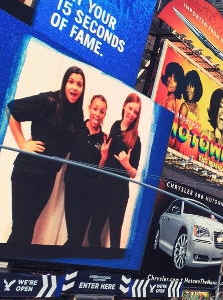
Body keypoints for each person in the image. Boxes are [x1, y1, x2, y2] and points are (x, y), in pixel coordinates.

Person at [6, 66, 85, 245]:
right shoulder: (49, 100)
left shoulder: (77, 114)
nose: (74, 87)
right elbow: (11, 109)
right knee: (21, 230)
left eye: (79, 84)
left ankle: (12, 269)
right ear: (64, 83)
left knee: (27, 229)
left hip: (48, 178)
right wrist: (22, 144)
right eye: (71, 82)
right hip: (26, 173)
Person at [87, 94, 142, 248]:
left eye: (136, 112)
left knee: (115, 241)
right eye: (130, 108)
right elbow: (106, 159)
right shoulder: (115, 126)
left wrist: (126, 164)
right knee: (92, 235)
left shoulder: (136, 140)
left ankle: (109, 272)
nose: (132, 114)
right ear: (124, 105)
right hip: (103, 189)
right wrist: (103, 155)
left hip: (119, 195)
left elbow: (133, 174)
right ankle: (96, 267)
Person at [63, 94, 107, 247]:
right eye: (95, 109)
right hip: (72, 190)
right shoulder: (77, 128)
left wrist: (104, 156)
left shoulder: (104, 140)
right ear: (89, 108)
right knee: (74, 239)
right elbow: (62, 148)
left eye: (102, 111)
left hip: (90, 194)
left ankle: (66, 270)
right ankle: (55, 267)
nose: (98, 114)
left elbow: (100, 169)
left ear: (104, 115)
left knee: (78, 239)